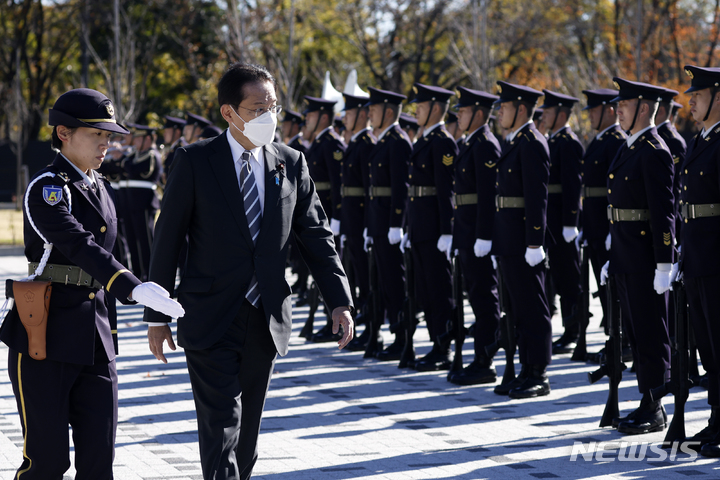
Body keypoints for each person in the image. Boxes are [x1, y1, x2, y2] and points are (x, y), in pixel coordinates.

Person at [143, 63, 354, 480]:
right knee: (221, 424)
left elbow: (316, 237)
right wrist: (157, 313)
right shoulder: (195, 160)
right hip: (208, 315)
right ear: (229, 112)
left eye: (273, 105)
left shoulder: (291, 163)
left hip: (266, 315)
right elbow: (167, 241)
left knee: (248, 434)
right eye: (258, 108)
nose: (269, 116)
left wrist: (340, 300)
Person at [0, 88, 184, 479]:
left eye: (109, 135)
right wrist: (133, 286)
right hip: (44, 337)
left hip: (96, 338)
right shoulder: (48, 187)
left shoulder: (100, 185)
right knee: (46, 463)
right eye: (96, 134)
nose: (106, 143)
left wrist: (114, 331)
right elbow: (79, 245)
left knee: (99, 462)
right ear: (63, 133)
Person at [600, 77, 675, 434]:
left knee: (650, 330)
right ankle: (646, 397)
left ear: (643, 109)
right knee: (634, 329)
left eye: (624, 105)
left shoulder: (654, 150)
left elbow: (663, 212)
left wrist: (665, 262)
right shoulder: (627, 147)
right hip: (625, 253)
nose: (618, 110)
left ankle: (655, 404)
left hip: (645, 257)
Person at [491, 81, 552, 398]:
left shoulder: (532, 143)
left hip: (523, 241)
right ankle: (524, 369)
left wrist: (534, 243)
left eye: (505, 106)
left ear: (522, 109)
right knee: (515, 308)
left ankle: (538, 372)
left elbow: (536, 198)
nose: (500, 111)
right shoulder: (515, 141)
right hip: (508, 238)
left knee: (532, 307)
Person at [675, 65, 720, 456]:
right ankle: (717, 418)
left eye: (699, 94)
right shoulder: (700, 139)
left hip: (717, 259)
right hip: (698, 257)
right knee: (707, 344)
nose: (691, 100)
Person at [447, 87, 502, 385]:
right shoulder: (472, 143)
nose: (459, 116)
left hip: (477, 237)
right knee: (477, 296)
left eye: (464, 111)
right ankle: (480, 356)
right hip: (466, 234)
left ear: (479, 114)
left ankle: (485, 359)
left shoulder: (486, 145)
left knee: (484, 297)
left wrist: (484, 236)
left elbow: (487, 196)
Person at [404, 83, 459, 371]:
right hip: (420, 227)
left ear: (436, 108)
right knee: (425, 289)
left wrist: (447, 231)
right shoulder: (425, 139)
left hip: (435, 229)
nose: (416, 111)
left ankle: (443, 345)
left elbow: (445, 189)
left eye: (421, 107)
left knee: (439, 289)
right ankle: (436, 342)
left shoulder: (442, 141)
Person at [358, 87, 412, 357]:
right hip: (378, 221)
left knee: (395, 282)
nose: (370, 114)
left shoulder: (398, 141)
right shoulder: (383, 141)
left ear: (389, 112)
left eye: (375, 110)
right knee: (382, 283)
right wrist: (371, 223)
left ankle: (403, 337)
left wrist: (396, 224)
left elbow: (400, 187)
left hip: (389, 223)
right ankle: (394, 334)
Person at [578, 88, 627, 361]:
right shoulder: (599, 141)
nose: (590, 116)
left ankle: (621, 338)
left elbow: (615, 190)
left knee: (614, 289)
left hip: (607, 226)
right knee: (603, 284)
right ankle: (612, 335)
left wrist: (611, 228)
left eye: (594, 111)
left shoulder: (615, 140)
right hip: (595, 225)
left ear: (610, 110)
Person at [538, 90, 585, 355]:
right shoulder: (551, 141)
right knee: (555, 276)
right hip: (550, 222)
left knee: (569, 279)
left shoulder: (569, 142)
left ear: (562, 114)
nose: (543, 114)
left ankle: (573, 330)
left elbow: (571, 186)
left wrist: (571, 222)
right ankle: (567, 328)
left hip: (561, 223)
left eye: (549, 110)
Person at [302, 95, 346, 342]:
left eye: (311, 115)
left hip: (328, 217)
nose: (306, 119)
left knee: (330, 272)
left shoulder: (332, 143)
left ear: (324, 117)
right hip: (317, 218)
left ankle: (336, 323)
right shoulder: (318, 143)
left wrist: (337, 217)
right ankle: (329, 321)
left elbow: (339, 185)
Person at [339, 93, 374, 336]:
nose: (344, 119)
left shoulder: (368, 144)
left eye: (349, 114)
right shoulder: (355, 143)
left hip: (362, 220)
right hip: (352, 220)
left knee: (367, 277)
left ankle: (374, 326)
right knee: (358, 276)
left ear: (362, 115)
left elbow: (370, 189)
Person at [119, 123, 162, 282]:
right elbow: (123, 165)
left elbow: (136, 169)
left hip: (145, 202)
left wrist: (127, 165)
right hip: (131, 201)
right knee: (132, 239)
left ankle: (151, 274)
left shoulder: (152, 155)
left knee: (146, 240)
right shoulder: (134, 155)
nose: (135, 141)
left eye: (139, 138)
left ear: (148, 138)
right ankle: (137, 274)